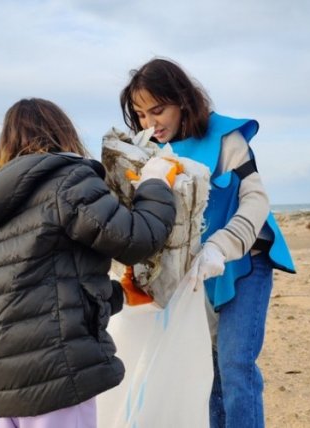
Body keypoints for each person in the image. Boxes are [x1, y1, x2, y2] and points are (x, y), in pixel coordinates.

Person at [0, 98, 180, 428]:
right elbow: (136, 240)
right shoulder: (67, 181)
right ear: (62, 133)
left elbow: (46, 287)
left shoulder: (6, 202)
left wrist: (119, 296)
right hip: (53, 368)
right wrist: (154, 183)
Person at [120, 58, 296, 428]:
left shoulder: (225, 138)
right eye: (139, 114)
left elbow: (256, 200)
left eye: (158, 110)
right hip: (196, 277)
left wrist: (221, 245)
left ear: (183, 100)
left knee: (235, 366)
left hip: (245, 263)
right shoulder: (152, 154)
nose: (149, 123)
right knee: (207, 368)